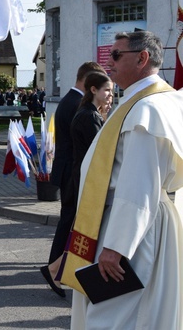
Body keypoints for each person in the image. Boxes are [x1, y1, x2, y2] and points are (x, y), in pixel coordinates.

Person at [62, 31, 183, 329]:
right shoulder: (151, 100)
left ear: (142, 59)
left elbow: (139, 185)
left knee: (119, 316)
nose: (108, 62)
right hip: (135, 220)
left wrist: (117, 247)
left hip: (136, 231)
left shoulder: (148, 109)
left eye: (116, 55)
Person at [42, 61, 104, 295]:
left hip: (68, 169)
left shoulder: (70, 99)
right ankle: (54, 269)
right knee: (68, 222)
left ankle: (57, 267)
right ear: (88, 83)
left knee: (68, 221)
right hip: (71, 171)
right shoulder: (75, 102)